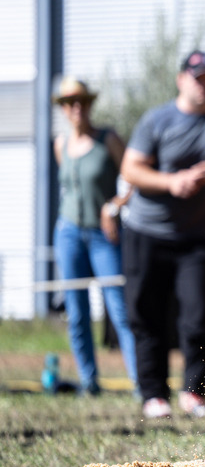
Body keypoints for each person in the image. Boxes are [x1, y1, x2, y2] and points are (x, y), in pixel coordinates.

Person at [120, 51, 205, 419]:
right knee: (147, 316)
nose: (203, 83)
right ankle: (154, 395)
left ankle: (194, 393)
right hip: (146, 232)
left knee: (197, 316)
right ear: (181, 79)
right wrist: (172, 182)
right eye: (196, 77)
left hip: (193, 237)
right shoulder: (157, 120)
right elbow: (131, 169)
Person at [51, 76, 137, 395]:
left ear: (89, 105)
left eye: (82, 101)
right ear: (63, 108)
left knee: (119, 309)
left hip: (104, 236)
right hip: (68, 232)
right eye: (70, 102)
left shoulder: (108, 139)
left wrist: (113, 206)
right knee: (76, 312)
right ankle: (89, 383)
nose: (77, 108)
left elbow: (132, 176)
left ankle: (142, 385)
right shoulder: (61, 144)